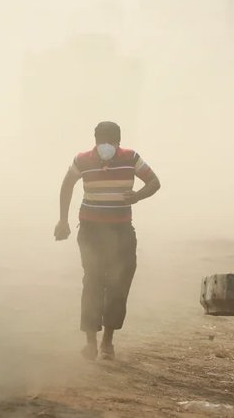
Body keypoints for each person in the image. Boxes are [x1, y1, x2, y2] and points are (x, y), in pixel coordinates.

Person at [55, 121, 161, 360]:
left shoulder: (131, 158)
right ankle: (90, 342)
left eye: (110, 143)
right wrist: (63, 221)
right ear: (95, 142)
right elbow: (67, 185)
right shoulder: (82, 160)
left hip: (121, 231)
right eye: (102, 142)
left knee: (118, 285)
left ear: (118, 143)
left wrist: (137, 196)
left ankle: (107, 342)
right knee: (92, 281)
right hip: (91, 231)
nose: (106, 148)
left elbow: (154, 182)